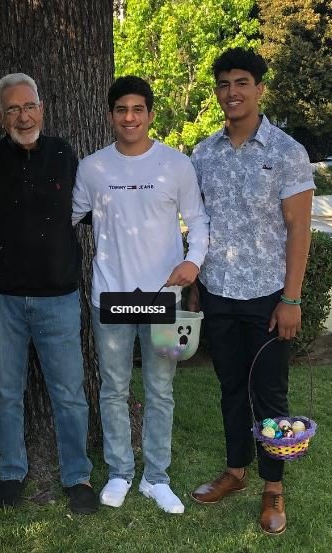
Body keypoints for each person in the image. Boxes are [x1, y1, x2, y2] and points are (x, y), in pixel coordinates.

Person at [189, 47, 315, 535]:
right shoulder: (203, 154)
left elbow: (299, 229)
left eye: (242, 82)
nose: (232, 93)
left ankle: (273, 487)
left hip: (267, 296)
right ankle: (236, 471)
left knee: (269, 393)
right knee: (229, 389)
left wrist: (291, 298)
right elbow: (198, 224)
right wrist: (198, 284)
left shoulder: (286, 152)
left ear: (259, 88)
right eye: (223, 84)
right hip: (218, 291)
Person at [72, 76, 209, 514]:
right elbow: (68, 217)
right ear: (110, 115)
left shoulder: (176, 165)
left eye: (137, 109)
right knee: (112, 388)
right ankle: (119, 473)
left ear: (150, 114)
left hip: (163, 298)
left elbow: (199, 221)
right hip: (109, 296)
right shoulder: (93, 167)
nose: (129, 117)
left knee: (160, 388)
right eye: (120, 110)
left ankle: (156, 478)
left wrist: (194, 261)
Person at [0, 73, 97, 514]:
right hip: (2, 297)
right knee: (6, 391)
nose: (22, 116)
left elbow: (97, 209)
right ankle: (11, 471)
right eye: (12, 109)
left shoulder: (65, 154)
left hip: (59, 298)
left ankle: (77, 475)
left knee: (68, 392)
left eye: (29, 106)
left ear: (42, 109)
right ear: (0, 115)